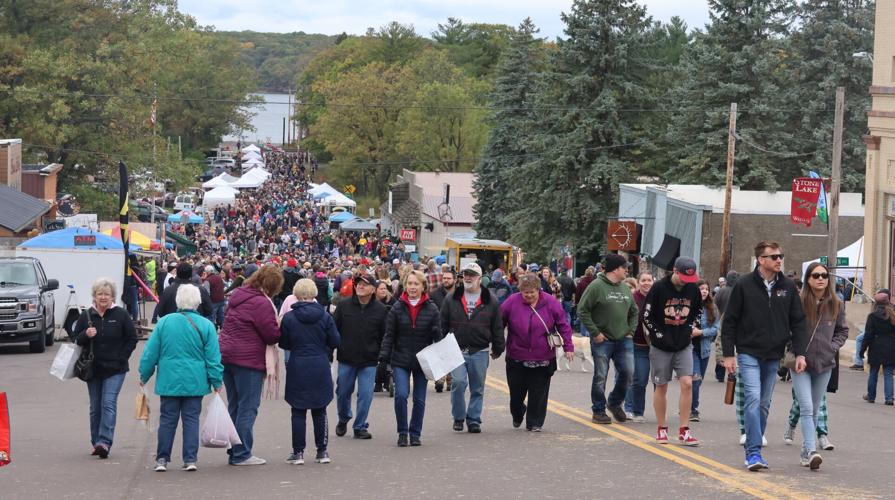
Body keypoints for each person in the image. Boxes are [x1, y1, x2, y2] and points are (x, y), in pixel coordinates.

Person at [722, 241, 807, 471]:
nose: (779, 260)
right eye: (774, 256)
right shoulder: (743, 284)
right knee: (752, 397)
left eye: (781, 256)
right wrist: (728, 354)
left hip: (773, 354)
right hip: (748, 351)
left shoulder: (788, 286)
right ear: (761, 260)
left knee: (763, 404)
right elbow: (729, 321)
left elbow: (798, 322)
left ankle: (754, 446)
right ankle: (753, 453)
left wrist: (800, 353)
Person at [139, 284, 224, 472]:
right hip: (195, 379)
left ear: (178, 300)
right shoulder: (206, 325)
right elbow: (213, 357)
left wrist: (144, 374)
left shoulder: (164, 323)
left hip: (169, 378)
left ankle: (162, 459)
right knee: (191, 419)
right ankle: (190, 458)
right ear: (197, 301)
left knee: (168, 419)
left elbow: (150, 353)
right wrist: (217, 381)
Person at [218, 264, 284, 466]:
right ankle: (242, 453)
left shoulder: (238, 295)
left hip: (227, 355)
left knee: (235, 405)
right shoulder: (261, 303)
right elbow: (271, 335)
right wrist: (279, 325)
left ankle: (234, 450)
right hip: (248, 359)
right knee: (248, 407)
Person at [788, 262, 847, 470]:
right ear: (808, 279)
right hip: (800, 362)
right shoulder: (798, 301)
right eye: (815, 275)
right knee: (805, 407)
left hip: (825, 363)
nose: (820, 278)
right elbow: (788, 330)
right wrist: (796, 353)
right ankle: (812, 451)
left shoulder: (837, 303)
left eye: (824, 275)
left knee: (813, 408)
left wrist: (832, 347)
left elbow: (842, 331)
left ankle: (806, 450)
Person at [73, 278, 138, 459]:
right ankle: (96, 442)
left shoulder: (121, 315)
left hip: (115, 369)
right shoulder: (86, 316)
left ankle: (104, 442)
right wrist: (86, 334)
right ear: (94, 296)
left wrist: (122, 357)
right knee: (95, 407)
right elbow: (76, 339)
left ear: (112, 297)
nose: (103, 297)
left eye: (106, 294)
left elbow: (132, 338)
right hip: (92, 369)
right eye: (100, 294)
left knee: (108, 404)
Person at [500, 273, 574, 431]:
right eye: (525, 292)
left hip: (543, 355)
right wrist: (497, 342)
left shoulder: (551, 302)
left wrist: (568, 347)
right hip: (517, 355)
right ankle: (518, 412)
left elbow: (563, 325)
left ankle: (535, 422)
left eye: (532, 292)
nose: (528, 295)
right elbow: (499, 321)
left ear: (538, 290)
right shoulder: (512, 301)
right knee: (516, 394)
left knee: (538, 392)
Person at [280, 279, 341, 465]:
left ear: (296, 295)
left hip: (298, 363)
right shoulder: (325, 317)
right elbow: (336, 341)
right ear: (315, 294)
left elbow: (283, 343)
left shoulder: (289, 318)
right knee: (320, 409)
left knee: (297, 410)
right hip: (319, 363)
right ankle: (322, 451)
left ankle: (298, 452)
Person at [643, 257, 703, 446]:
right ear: (675, 271)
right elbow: (646, 315)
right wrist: (658, 334)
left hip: (683, 343)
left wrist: (690, 327)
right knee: (661, 386)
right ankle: (662, 428)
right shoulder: (659, 287)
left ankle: (684, 430)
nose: (687, 281)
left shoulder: (693, 289)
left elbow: (697, 311)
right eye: (684, 276)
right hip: (661, 345)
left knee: (687, 383)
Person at [379, 270, 442, 447]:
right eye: (410, 283)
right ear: (405, 286)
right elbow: (389, 335)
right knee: (400, 395)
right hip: (401, 358)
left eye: (416, 284)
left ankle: (415, 433)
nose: (412, 287)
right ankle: (402, 432)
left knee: (419, 399)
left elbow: (438, 337)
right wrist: (384, 357)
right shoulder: (397, 308)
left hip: (423, 360)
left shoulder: (432, 308)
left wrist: (438, 334)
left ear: (423, 287)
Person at [440, 263, 505, 433]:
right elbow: (442, 324)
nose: (468, 277)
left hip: (480, 350)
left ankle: (474, 419)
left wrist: (498, 347)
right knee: (459, 382)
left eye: (472, 274)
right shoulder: (452, 297)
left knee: (477, 388)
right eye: (465, 274)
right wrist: (441, 345)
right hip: (456, 349)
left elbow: (497, 326)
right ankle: (459, 417)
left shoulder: (490, 299)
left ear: (480, 278)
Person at [577, 254, 638, 424]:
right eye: (624, 267)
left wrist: (631, 331)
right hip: (602, 340)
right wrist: (595, 332)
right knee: (600, 376)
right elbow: (582, 310)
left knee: (628, 372)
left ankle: (614, 402)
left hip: (624, 339)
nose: (627, 270)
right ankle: (598, 410)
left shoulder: (625, 288)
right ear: (616, 269)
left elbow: (634, 311)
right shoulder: (596, 286)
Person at [333, 274, 388, 439]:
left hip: (369, 360)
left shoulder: (380, 310)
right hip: (346, 358)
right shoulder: (344, 305)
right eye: (358, 284)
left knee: (365, 394)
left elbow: (385, 335)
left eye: (365, 284)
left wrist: (382, 355)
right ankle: (343, 418)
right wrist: (330, 350)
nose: (360, 286)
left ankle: (360, 426)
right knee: (343, 392)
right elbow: (333, 330)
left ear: (373, 289)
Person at [624, 271, 653, 423]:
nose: (646, 283)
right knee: (631, 377)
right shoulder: (632, 297)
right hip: (631, 343)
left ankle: (638, 411)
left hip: (650, 347)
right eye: (643, 280)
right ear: (638, 282)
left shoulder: (656, 298)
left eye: (649, 280)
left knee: (641, 380)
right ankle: (628, 409)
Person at [690, 280, 719, 422]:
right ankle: (693, 409)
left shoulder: (712, 307)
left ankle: (687, 402)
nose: (704, 291)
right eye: (701, 288)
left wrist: (701, 332)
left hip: (704, 349)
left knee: (698, 381)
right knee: (695, 380)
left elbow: (715, 328)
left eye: (706, 289)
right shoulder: (688, 305)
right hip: (689, 348)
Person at [861, 289, 895, 405]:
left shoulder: (872, 316)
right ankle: (889, 398)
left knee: (873, 372)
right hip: (891, 347)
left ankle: (871, 396)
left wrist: (862, 350)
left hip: (875, 346)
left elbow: (868, 335)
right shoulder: (893, 314)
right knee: (888, 374)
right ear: (888, 301)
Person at [713, 270, 739, 382]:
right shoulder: (737, 292)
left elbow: (715, 305)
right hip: (734, 322)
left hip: (721, 320)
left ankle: (719, 373)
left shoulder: (720, 292)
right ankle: (731, 372)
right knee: (731, 348)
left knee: (721, 346)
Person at [574, 266, 596, 335]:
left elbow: (577, 293)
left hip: (582, 303)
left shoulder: (581, 283)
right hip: (593, 303)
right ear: (592, 274)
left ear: (585, 274)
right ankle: (590, 333)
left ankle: (583, 334)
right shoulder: (595, 283)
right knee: (591, 319)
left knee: (583, 318)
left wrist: (577, 302)